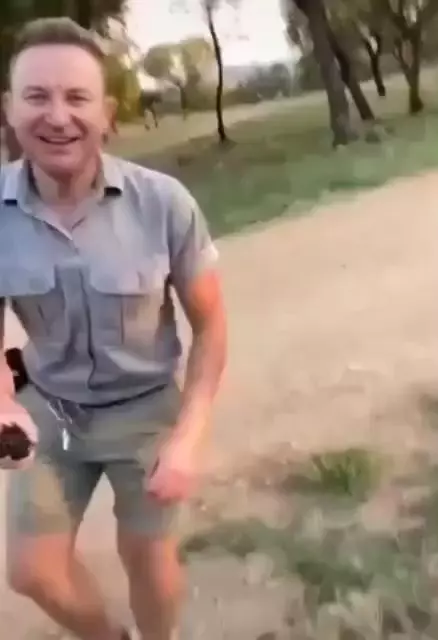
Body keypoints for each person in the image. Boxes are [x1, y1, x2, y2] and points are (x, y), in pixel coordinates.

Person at [0, 16, 226, 640]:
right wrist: (4, 404)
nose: (58, 116)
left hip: (144, 410)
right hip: (50, 408)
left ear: (106, 114)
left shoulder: (164, 202)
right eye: (37, 96)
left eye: (77, 97)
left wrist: (188, 439)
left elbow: (211, 329)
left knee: (147, 558)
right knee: (31, 572)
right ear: (9, 110)